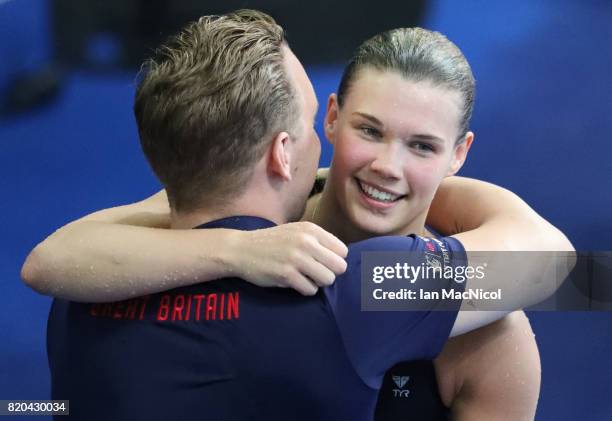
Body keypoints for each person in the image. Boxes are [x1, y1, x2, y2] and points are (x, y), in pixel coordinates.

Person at [22, 11, 574, 421]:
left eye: (423, 148)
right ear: (303, 140)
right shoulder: (364, 291)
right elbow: (567, 268)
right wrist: (436, 190)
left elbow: (47, 261)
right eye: (368, 130)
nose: (387, 166)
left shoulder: (88, 286)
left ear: (459, 153)